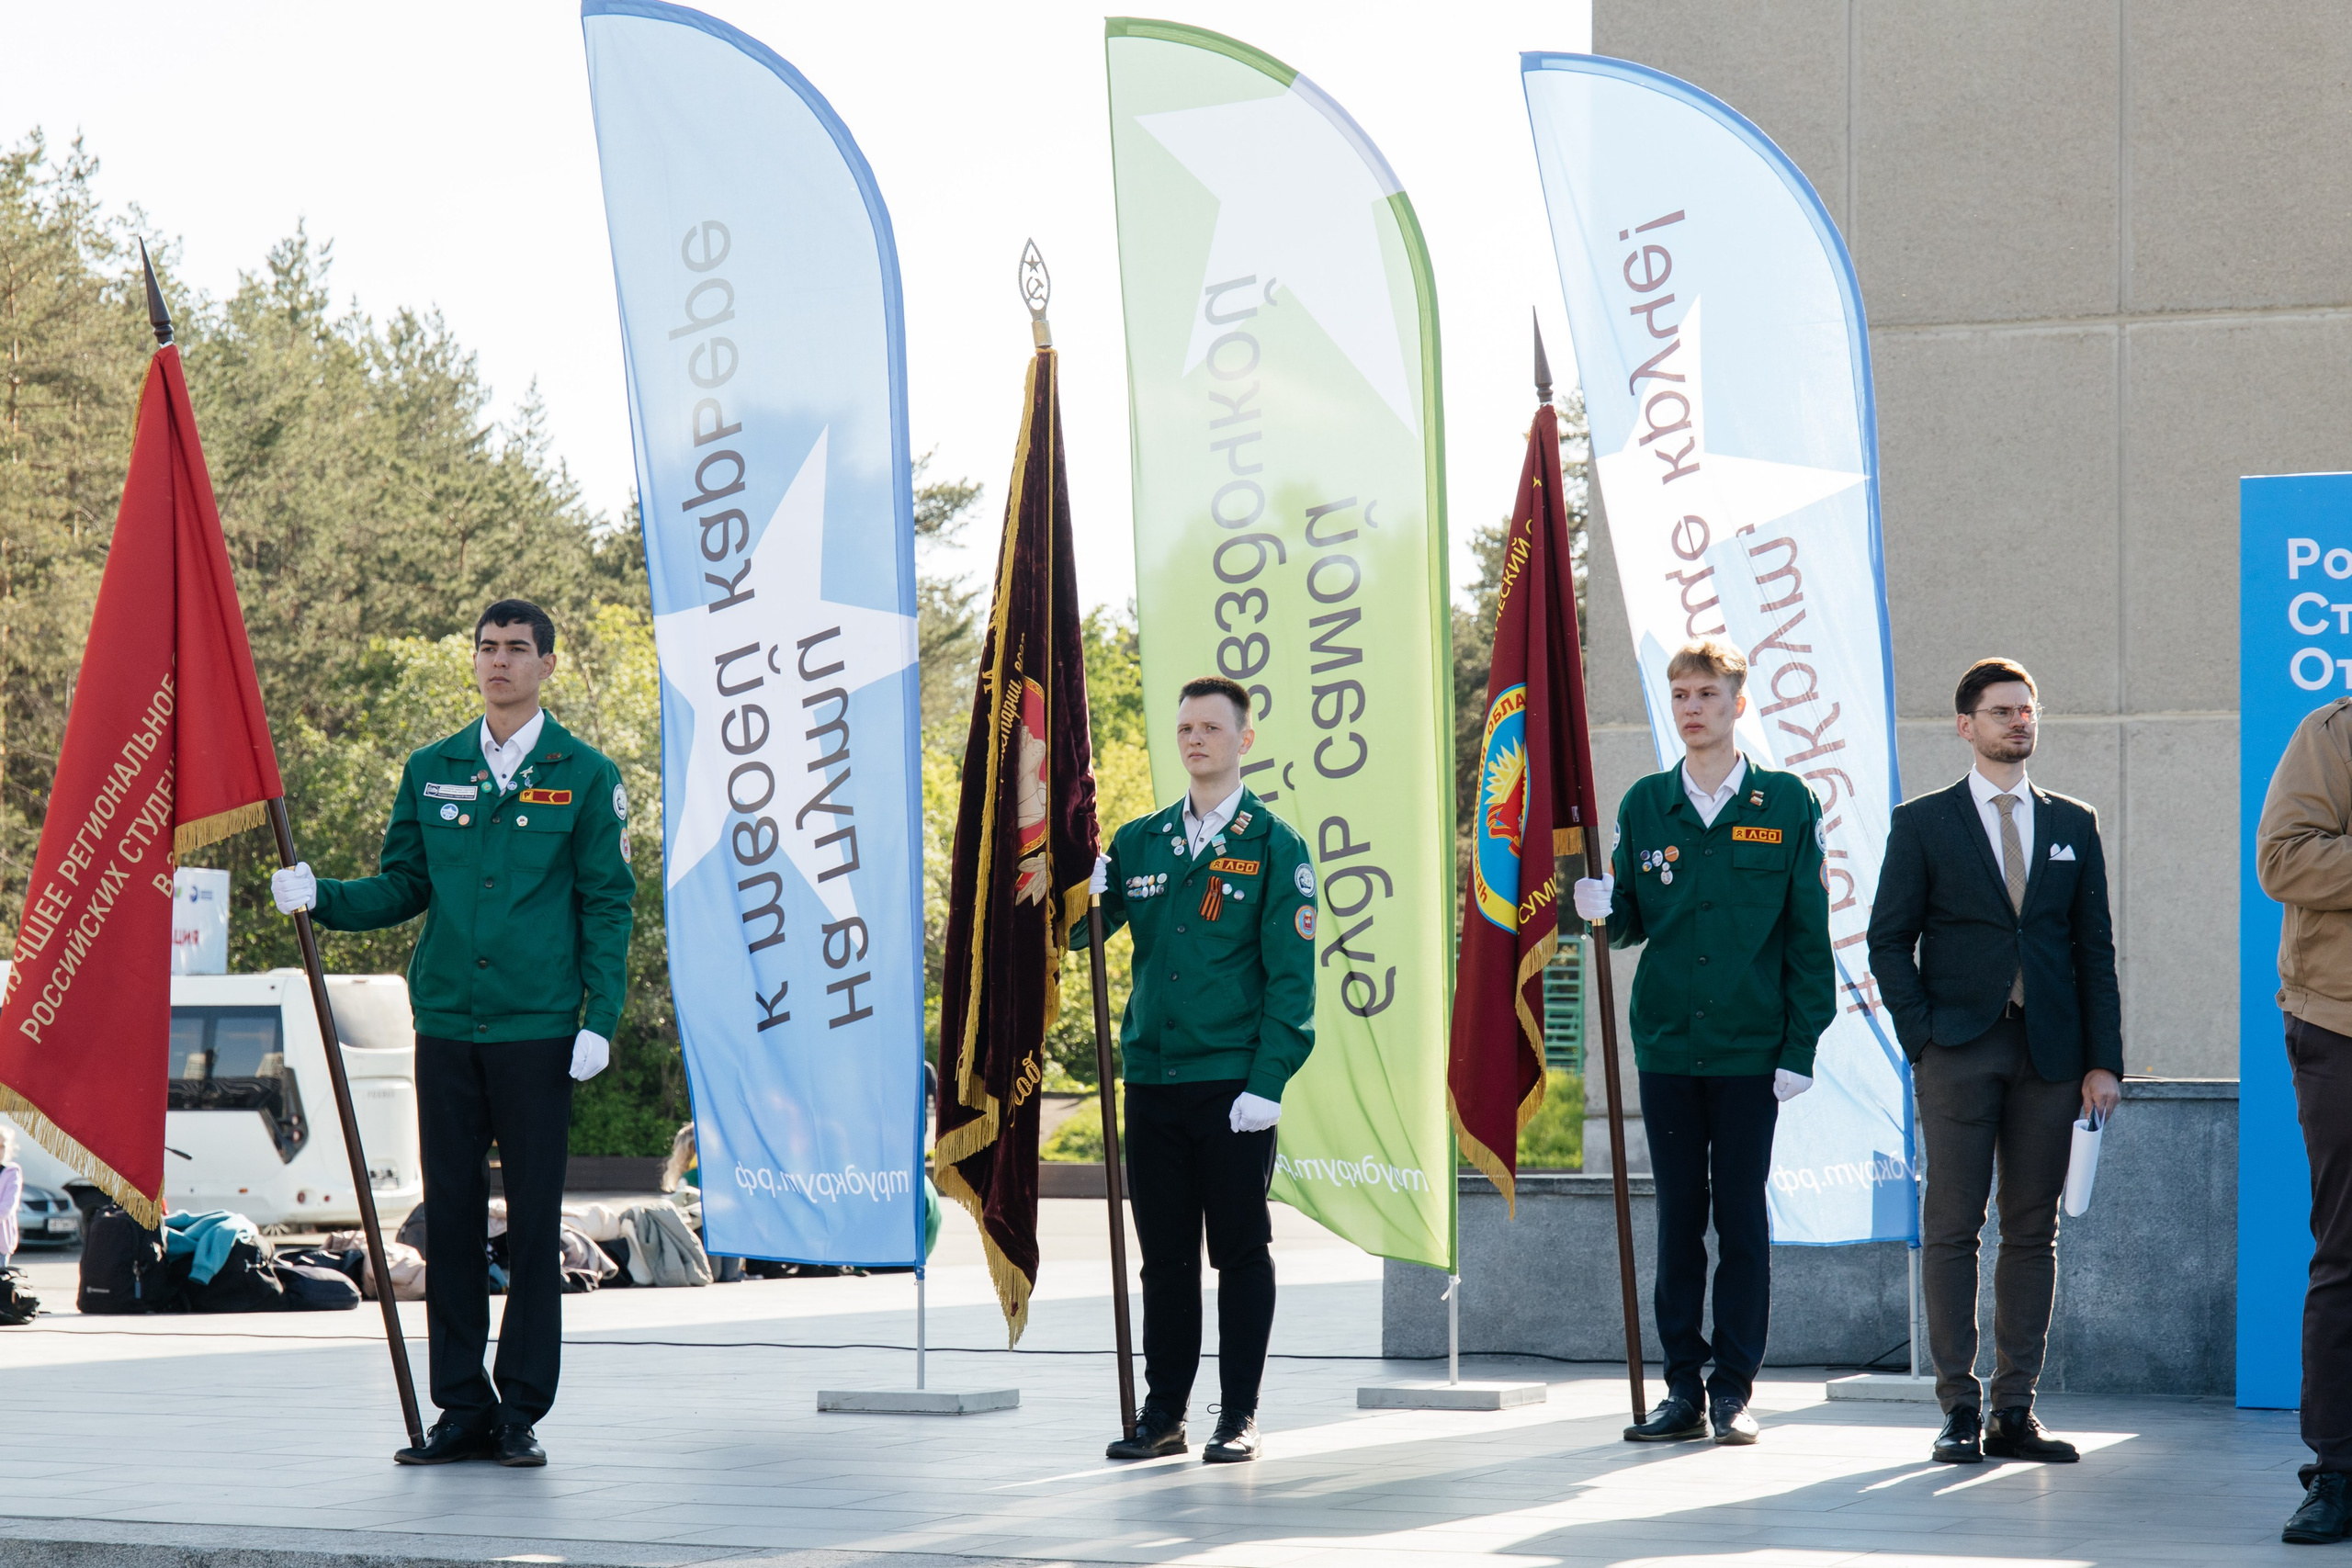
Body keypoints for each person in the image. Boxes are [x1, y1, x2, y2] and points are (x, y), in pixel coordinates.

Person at [271, 600, 634, 1468]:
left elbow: (607, 903)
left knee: (534, 1224)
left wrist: (601, 1017)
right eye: (486, 647)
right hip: (445, 1028)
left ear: (547, 664)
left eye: (517, 648)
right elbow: (404, 884)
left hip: (538, 1033)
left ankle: (520, 1411)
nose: (498, 661)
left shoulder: (585, 774)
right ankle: (463, 1407)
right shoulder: (432, 767)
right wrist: (324, 896)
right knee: (454, 1221)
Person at [1572, 637, 1832, 1447]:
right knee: (1679, 1217)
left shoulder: (1785, 802)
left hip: (1752, 1051)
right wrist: (1598, 906)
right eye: (1681, 695)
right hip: (1667, 1047)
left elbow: (1808, 936)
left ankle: (1734, 1390)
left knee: (1741, 1219)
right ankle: (1682, 1388)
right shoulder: (1648, 803)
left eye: (1707, 694)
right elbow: (1630, 921)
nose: (1692, 708)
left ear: (1737, 704)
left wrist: (1800, 1047)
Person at [1867, 657, 2121, 1468]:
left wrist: (2103, 1061)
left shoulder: (2074, 822)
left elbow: (2094, 949)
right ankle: (1957, 1407)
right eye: (2002, 710)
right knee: (1952, 1225)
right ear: (1965, 724)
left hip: (2051, 1055)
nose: (2019, 721)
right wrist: (1922, 1035)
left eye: (2027, 709)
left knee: (2033, 1229)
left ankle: (2015, 1409)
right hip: (1957, 1049)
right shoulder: (1923, 823)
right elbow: (1887, 940)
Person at [1078, 674, 1317, 1465]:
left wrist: (1268, 1082)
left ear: (1244, 739)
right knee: (1165, 1258)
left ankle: (1238, 1413)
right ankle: (1164, 1414)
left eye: (1210, 727)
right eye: (1185, 727)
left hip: (1232, 1087)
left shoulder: (1275, 846)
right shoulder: (1141, 841)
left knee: (1240, 1252)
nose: (1194, 739)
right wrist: (1082, 890)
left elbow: (1292, 983)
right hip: (1153, 1081)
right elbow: (1080, 938)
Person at [2256, 696, 2352, 1543]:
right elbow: (2284, 859)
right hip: (2342, 1024)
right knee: (2347, 1250)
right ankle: (2339, 1470)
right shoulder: (2332, 735)